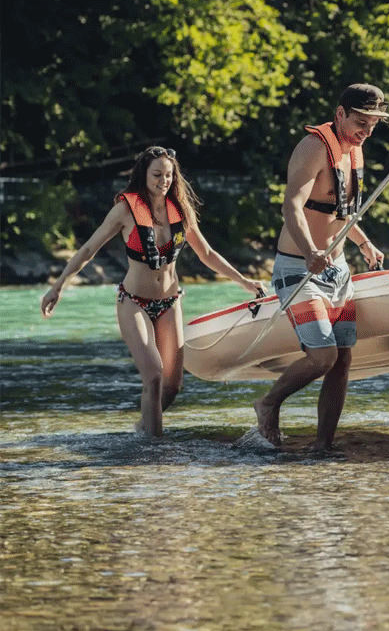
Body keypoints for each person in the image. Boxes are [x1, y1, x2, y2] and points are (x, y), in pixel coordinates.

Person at [40, 146, 265, 437]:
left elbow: (207, 253)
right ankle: (155, 452)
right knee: (154, 374)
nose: (164, 180)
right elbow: (88, 249)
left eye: (169, 175)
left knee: (172, 386)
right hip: (134, 302)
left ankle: (144, 430)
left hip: (170, 302)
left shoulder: (180, 210)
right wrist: (57, 287)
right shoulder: (125, 209)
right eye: (157, 174)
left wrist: (245, 282)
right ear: (143, 175)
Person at [253, 83, 389, 450]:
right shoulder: (314, 147)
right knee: (323, 357)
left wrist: (364, 242)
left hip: (338, 271)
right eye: (363, 121)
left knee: (342, 360)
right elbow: (292, 206)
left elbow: (339, 212)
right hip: (299, 269)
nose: (368, 130)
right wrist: (310, 250)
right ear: (340, 113)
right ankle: (267, 403)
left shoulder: (353, 151)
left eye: (375, 123)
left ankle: (322, 447)